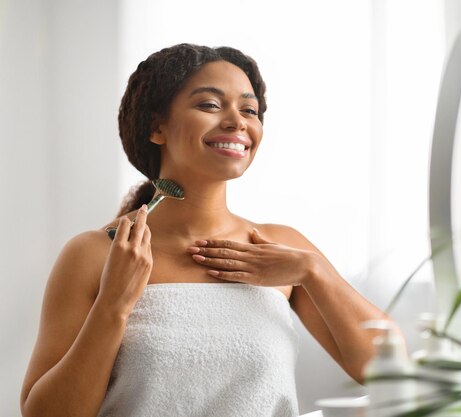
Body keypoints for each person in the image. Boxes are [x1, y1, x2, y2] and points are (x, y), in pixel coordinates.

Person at [20, 43, 395, 417]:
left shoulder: (280, 247)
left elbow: (392, 375)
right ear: (156, 127)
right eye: (210, 105)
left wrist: (314, 272)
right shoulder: (96, 254)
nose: (238, 122)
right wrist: (114, 304)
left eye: (250, 110)